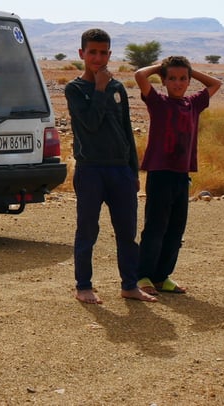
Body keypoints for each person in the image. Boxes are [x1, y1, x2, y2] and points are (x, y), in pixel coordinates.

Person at [65, 28, 156, 304]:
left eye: (103, 52)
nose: (98, 58)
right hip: (91, 169)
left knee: (127, 232)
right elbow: (91, 124)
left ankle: (129, 285)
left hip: (120, 171)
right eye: (92, 52)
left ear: (110, 54)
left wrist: (133, 170)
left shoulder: (117, 88)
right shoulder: (75, 89)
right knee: (87, 230)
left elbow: (126, 129)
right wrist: (100, 88)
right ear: (81, 54)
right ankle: (83, 286)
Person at [135, 56, 222, 295]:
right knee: (156, 227)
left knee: (175, 229)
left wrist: (191, 71)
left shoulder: (193, 104)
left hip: (182, 175)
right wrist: (161, 67)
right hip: (160, 173)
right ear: (163, 81)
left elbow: (216, 84)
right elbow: (140, 75)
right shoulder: (158, 102)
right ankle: (142, 276)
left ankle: (162, 277)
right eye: (172, 78)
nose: (178, 83)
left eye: (183, 79)